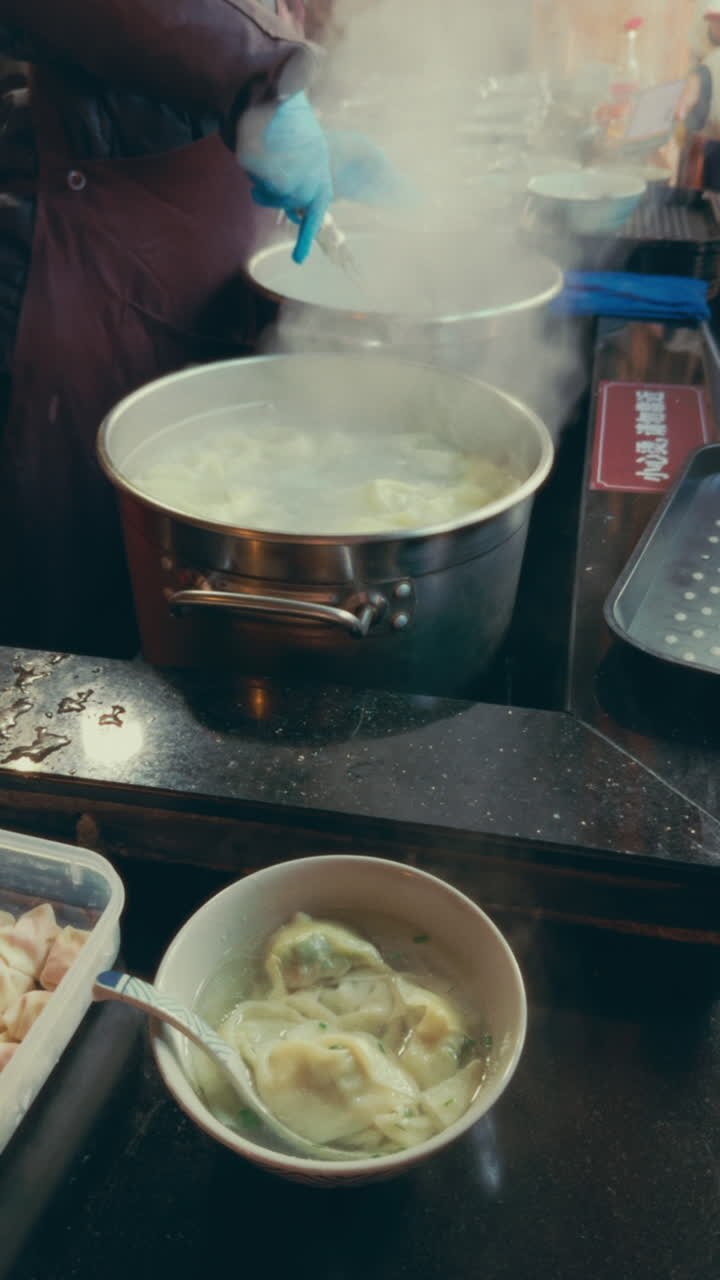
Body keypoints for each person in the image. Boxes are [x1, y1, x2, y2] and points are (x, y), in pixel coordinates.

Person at [0, 0, 408, 658]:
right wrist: (264, 77)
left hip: (193, 285)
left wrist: (296, 109)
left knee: (179, 610)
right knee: (73, 630)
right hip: (77, 290)